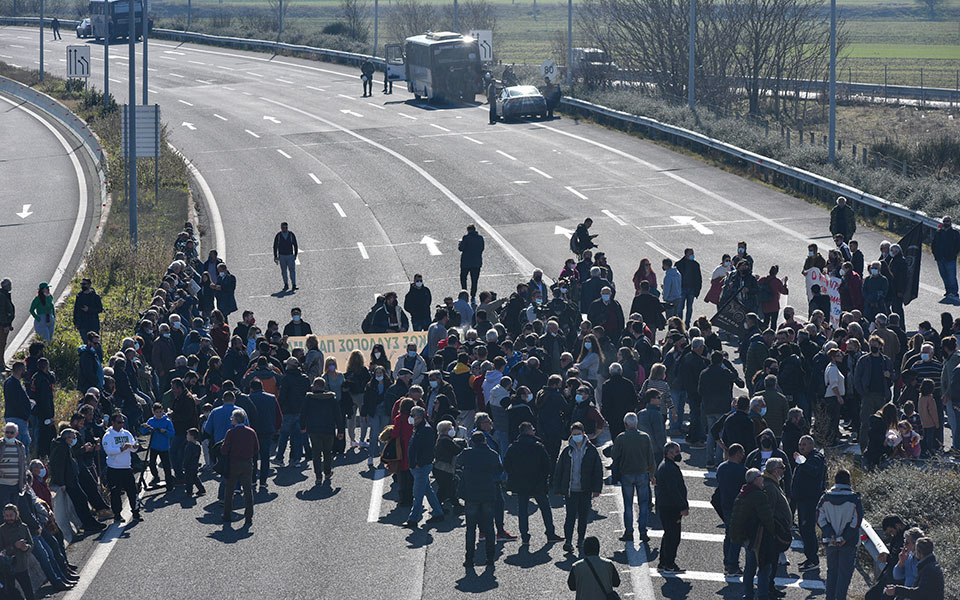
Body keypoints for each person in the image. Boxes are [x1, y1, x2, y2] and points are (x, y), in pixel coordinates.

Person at [503, 422, 560, 545]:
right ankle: (550, 533)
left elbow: (506, 464)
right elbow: (547, 465)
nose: (534, 431)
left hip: (520, 484)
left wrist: (514, 476)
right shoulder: (538, 446)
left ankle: (525, 537)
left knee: (522, 511)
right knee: (545, 508)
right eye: (533, 429)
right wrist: (544, 479)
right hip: (537, 483)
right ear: (529, 431)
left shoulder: (513, 447)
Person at [553, 422, 603, 553]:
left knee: (583, 517)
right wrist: (557, 488)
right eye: (574, 434)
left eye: (578, 434)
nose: (576, 437)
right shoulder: (567, 451)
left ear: (583, 434)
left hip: (585, 490)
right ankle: (568, 541)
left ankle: (580, 540)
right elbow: (560, 470)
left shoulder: (591, 450)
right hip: (571, 490)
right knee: (569, 517)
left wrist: (597, 488)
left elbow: (597, 470)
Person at [456, 431, 502, 567]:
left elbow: (457, 463)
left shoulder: (467, 453)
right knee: (489, 526)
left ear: (473, 442)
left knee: (471, 528)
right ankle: (490, 558)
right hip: (488, 493)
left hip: (471, 494)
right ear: (485, 441)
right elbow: (499, 470)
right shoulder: (492, 454)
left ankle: (469, 558)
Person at [817, 469, 863, 600]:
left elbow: (820, 518)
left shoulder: (825, 498)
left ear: (835, 481)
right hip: (848, 543)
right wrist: (844, 537)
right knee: (844, 574)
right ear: (849, 481)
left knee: (832, 572)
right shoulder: (854, 499)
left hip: (830, 541)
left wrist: (831, 535)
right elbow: (856, 521)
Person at [612, 412, 657, 543]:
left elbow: (614, 455)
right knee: (643, 504)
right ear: (636, 423)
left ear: (625, 424)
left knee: (628, 504)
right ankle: (643, 531)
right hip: (643, 474)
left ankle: (629, 532)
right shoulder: (645, 437)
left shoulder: (621, 438)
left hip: (626, 474)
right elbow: (651, 457)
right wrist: (652, 474)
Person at [405, 406, 444, 527]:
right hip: (418, 467)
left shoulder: (425, 430)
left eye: (413, 415)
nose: (411, 418)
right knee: (428, 491)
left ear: (420, 417)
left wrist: (419, 463)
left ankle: (413, 519)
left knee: (417, 494)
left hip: (421, 467)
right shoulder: (419, 428)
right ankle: (438, 513)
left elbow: (428, 450)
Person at [300, 377, 343, 485]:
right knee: (327, 452)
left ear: (316, 386)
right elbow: (338, 415)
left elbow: (303, 413)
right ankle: (327, 472)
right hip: (328, 429)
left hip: (314, 429)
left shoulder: (309, 398)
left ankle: (318, 475)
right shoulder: (331, 398)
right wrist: (340, 430)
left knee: (316, 452)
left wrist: (302, 426)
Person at [792, 435, 827, 571]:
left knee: (808, 530)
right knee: (804, 530)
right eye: (800, 445)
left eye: (804, 445)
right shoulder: (807, 458)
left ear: (812, 445)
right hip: (803, 499)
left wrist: (801, 461)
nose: (801, 447)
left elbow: (812, 471)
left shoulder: (816, 458)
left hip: (810, 500)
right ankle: (809, 558)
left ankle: (813, 559)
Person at [220, 409, 259, 527]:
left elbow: (224, 450)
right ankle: (249, 516)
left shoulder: (230, 433)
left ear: (236, 419)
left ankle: (227, 515)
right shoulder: (251, 432)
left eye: (232, 418)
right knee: (248, 490)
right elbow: (256, 448)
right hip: (247, 463)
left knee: (229, 490)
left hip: (233, 463)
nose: (231, 419)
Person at [101, 412, 141, 523]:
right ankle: (117, 514)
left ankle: (136, 512)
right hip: (114, 469)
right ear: (112, 422)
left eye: (122, 422)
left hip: (126, 467)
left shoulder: (127, 433)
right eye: (119, 422)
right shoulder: (108, 436)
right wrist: (122, 449)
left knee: (133, 491)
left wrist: (135, 446)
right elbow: (109, 451)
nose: (121, 424)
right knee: (115, 493)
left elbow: (133, 446)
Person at [655, 441, 688, 572]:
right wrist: (683, 506)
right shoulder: (669, 468)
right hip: (671, 507)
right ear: (669, 453)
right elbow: (673, 490)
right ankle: (669, 563)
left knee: (668, 534)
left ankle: (664, 562)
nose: (679, 454)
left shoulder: (665, 466)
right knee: (673, 536)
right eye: (676, 452)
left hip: (666, 506)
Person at [716, 443, 747, 575]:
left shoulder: (721, 468)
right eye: (742, 453)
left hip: (725, 505)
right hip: (738, 508)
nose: (743, 455)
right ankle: (733, 565)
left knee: (728, 535)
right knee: (736, 537)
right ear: (737, 453)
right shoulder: (742, 471)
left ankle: (727, 564)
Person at [0, 504, 36, 600]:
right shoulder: (2, 530)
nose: (9, 518)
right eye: (6, 516)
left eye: (11, 515)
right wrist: (13, 547)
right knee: (11, 592)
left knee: (28, 591)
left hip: (22, 565)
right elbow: (1, 550)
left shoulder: (24, 527)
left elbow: (31, 544)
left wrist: (26, 548)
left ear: (17, 514)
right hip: (7, 567)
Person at [141, 403, 175, 489]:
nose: (159, 414)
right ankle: (156, 477)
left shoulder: (167, 421)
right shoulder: (151, 421)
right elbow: (144, 431)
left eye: (160, 412)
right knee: (152, 463)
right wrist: (144, 427)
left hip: (164, 447)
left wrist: (165, 431)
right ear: (153, 412)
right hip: (154, 446)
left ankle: (169, 484)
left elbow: (172, 434)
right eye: (157, 412)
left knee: (166, 466)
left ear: (163, 411)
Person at [932, 216, 960, 303]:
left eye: (948, 221)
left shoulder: (955, 233)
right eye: (945, 221)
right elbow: (934, 244)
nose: (946, 222)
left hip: (950, 258)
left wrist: (954, 254)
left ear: (950, 222)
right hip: (940, 257)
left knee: (951, 275)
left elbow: (958, 245)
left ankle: (954, 292)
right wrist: (935, 254)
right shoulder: (939, 232)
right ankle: (948, 290)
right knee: (943, 275)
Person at [0, 423, 27, 507]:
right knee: (4, 509)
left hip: (16, 485)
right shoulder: (1, 444)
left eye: (12, 433)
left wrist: (24, 481)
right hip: (3, 484)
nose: (9, 435)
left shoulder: (20, 446)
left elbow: (23, 464)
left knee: (14, 509)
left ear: (16, 433)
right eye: (7, 432)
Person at [458, 224, 485, 302]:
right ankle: (473, 295)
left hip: (466, 263)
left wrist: (460, 243)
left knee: (463, 278)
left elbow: (461, 248)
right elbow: (482, 248)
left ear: (468, 230)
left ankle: (464, 293)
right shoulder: (480, 238)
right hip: (476, 263)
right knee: (474, 280)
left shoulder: (466, 238)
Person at [675, 248, 702, 328]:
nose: (692, 255)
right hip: (682, 289)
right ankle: (680, 324)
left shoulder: (695, 264)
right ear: (686, 254)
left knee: (689, 308)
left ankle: (687, 323)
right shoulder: (679, 264)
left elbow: (698, 278)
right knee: (680, 308)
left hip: (692, 289)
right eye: (691, 254)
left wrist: (698, 290)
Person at [273, 222, 299, 292]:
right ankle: (286, 284)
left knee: (292, 270)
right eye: (283, 228)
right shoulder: (278, 236)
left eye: (286, 227)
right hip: (282, 256)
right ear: (281, 228)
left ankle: (294, 284)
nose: (285, 229)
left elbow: (295, 245)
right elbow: (275, 246)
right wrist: (275, 256)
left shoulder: (291, 235)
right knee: (284, 271)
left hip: (290, 255)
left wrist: (295, 254)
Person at [182, 428, 205, 496]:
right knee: (195, 477)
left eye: (188, 435)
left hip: (189, 465)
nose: (186, 436)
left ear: (192, 437)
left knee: (188, 479)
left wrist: (184, 465)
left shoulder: (189, 446)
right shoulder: (197, 445)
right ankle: (201, 489)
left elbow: (187, 457)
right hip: (195, 464)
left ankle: (189, 491)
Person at [0, 278, 13, 355]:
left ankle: (2, 362)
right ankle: (1, 364)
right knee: (1, 344)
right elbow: (2, 311)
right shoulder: (2, 296)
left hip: (5, 324)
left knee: (3, 344)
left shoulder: (4, 295)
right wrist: (5, 324)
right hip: (2, 326)